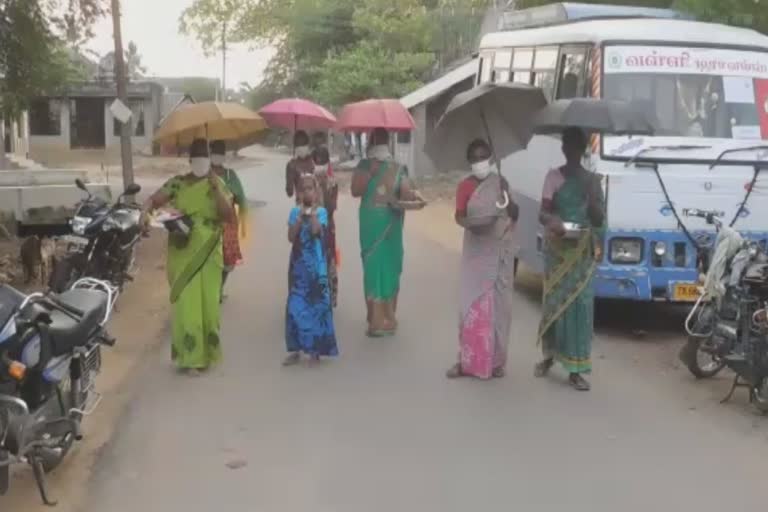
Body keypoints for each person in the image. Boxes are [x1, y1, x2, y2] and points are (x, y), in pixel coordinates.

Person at [143, 138, 235, 375]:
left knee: (208, 304)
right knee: (186, 303)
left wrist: (215, 189)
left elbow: (227, 216)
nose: (201, 160)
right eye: (196, 155)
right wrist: (144, 212)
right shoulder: (178, 183)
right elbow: (154, 199)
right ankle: (190, 357)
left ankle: (207, 355)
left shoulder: (219, 184)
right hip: (182, 249)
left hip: (209, 251)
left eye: (203, 154)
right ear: (190, 159)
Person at [534, 127, 605, 391]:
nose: (572, 151)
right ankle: (549, 356)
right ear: (563, 149)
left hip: (581, 253)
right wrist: (554, 221)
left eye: (576, 147)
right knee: (554, 305)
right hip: (558, 250)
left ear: (583, 149)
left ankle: (576, 369)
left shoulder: (593, 181)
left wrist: (594, 202)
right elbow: (543, 213)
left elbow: (599, 220)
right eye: (568, 146)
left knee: (580, 308)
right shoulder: (553, 177)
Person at [446, 139, 519, 380]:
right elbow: (459, 216)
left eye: (483, 157)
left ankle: (497, 361)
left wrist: (511, 204)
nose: (480, 163)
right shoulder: (465, 187)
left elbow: (512, 212)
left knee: (499, 307)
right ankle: (467, 361)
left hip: (498, 252)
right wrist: (471, 224)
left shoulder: (500, 182)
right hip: (476, 253)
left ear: (490, 158)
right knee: (471, 304)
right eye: (475, 158)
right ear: (470, 162)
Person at [351, 128, 424, 337]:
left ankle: (388, 319)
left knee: (390, 267)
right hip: (370, 229)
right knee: (373, 269)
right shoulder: (364, 165)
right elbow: (356, 191)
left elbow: (405, 193)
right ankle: (375, 321)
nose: (378, 145)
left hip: (391, 228)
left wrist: (411, 193)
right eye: (377, 141)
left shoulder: (399, 167)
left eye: (380, 140)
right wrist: (370, 172)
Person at [284, 175, 339, 365]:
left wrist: (312, 213)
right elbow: (291, 237)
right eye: (303, 189)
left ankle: (316, 349)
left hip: (317, 268)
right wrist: (299, 218)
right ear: (298, 193)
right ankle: (295, 349)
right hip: (298, 268)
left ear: (316, 193)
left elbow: (317, 231)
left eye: (310, 189)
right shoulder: (293, 213)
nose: (307, 192)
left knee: (318, 307)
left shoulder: (322, 212)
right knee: (295, 307)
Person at [210, 140, 247, 301]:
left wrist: (244, 223)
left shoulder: (231, 176)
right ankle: (210, 289)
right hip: (208, 222)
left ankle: (218, 288)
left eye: (220, 151)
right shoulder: (203, 175)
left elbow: (242, 200)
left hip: (228, 224)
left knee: (226, 260)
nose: (217, 155)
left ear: (223, 155)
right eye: (214, 151)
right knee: (209, 258)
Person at [312, 146, 339, 307]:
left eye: (323, 162)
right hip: (310, 228)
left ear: (328, 163)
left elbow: (331, 208)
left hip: (328, 228)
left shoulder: (332, 183)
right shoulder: (307, 182)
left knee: (329, 261)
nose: (320, 165)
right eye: (317, 161)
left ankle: (329, 297)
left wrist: (323, 187)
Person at [285, 130, 315, 203]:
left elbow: (290, 193)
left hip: (301, 204)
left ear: (295, 147)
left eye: (303, 144)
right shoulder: (315, 160)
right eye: (300, 145)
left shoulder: (292, 164)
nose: (302, 148)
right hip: (317, 203)